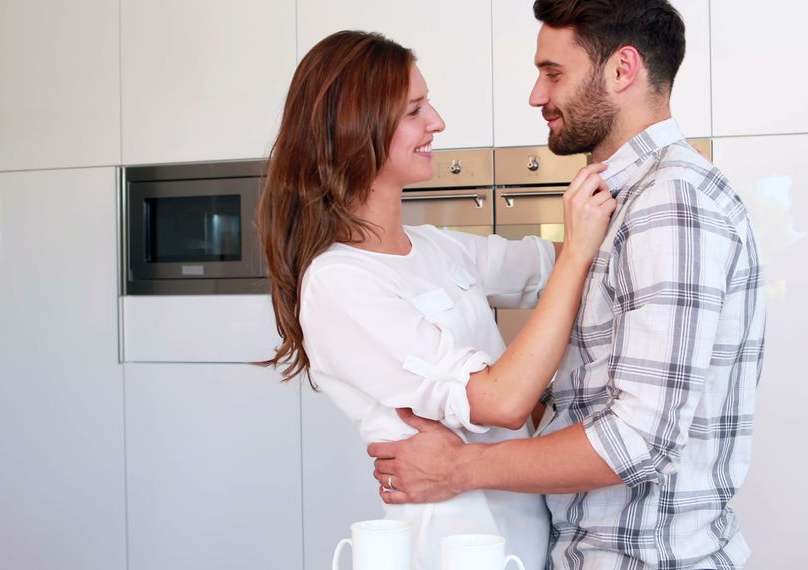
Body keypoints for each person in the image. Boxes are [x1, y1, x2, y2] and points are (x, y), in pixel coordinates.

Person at [367, 0, 767, 568]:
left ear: (622, 70)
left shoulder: (669, 205)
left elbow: (637, 439)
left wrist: (459, 468)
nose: (536, 95)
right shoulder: (622, 200)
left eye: (553, 73)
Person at [256, 30, 617, 570]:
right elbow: (500, 401)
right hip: (450, 541)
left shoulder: (435, 249)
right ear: (358, 130)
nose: (437, 123)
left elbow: (554, 264)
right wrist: (576, 255)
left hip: (529, 526)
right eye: (414, 110)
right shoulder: (338, 284)